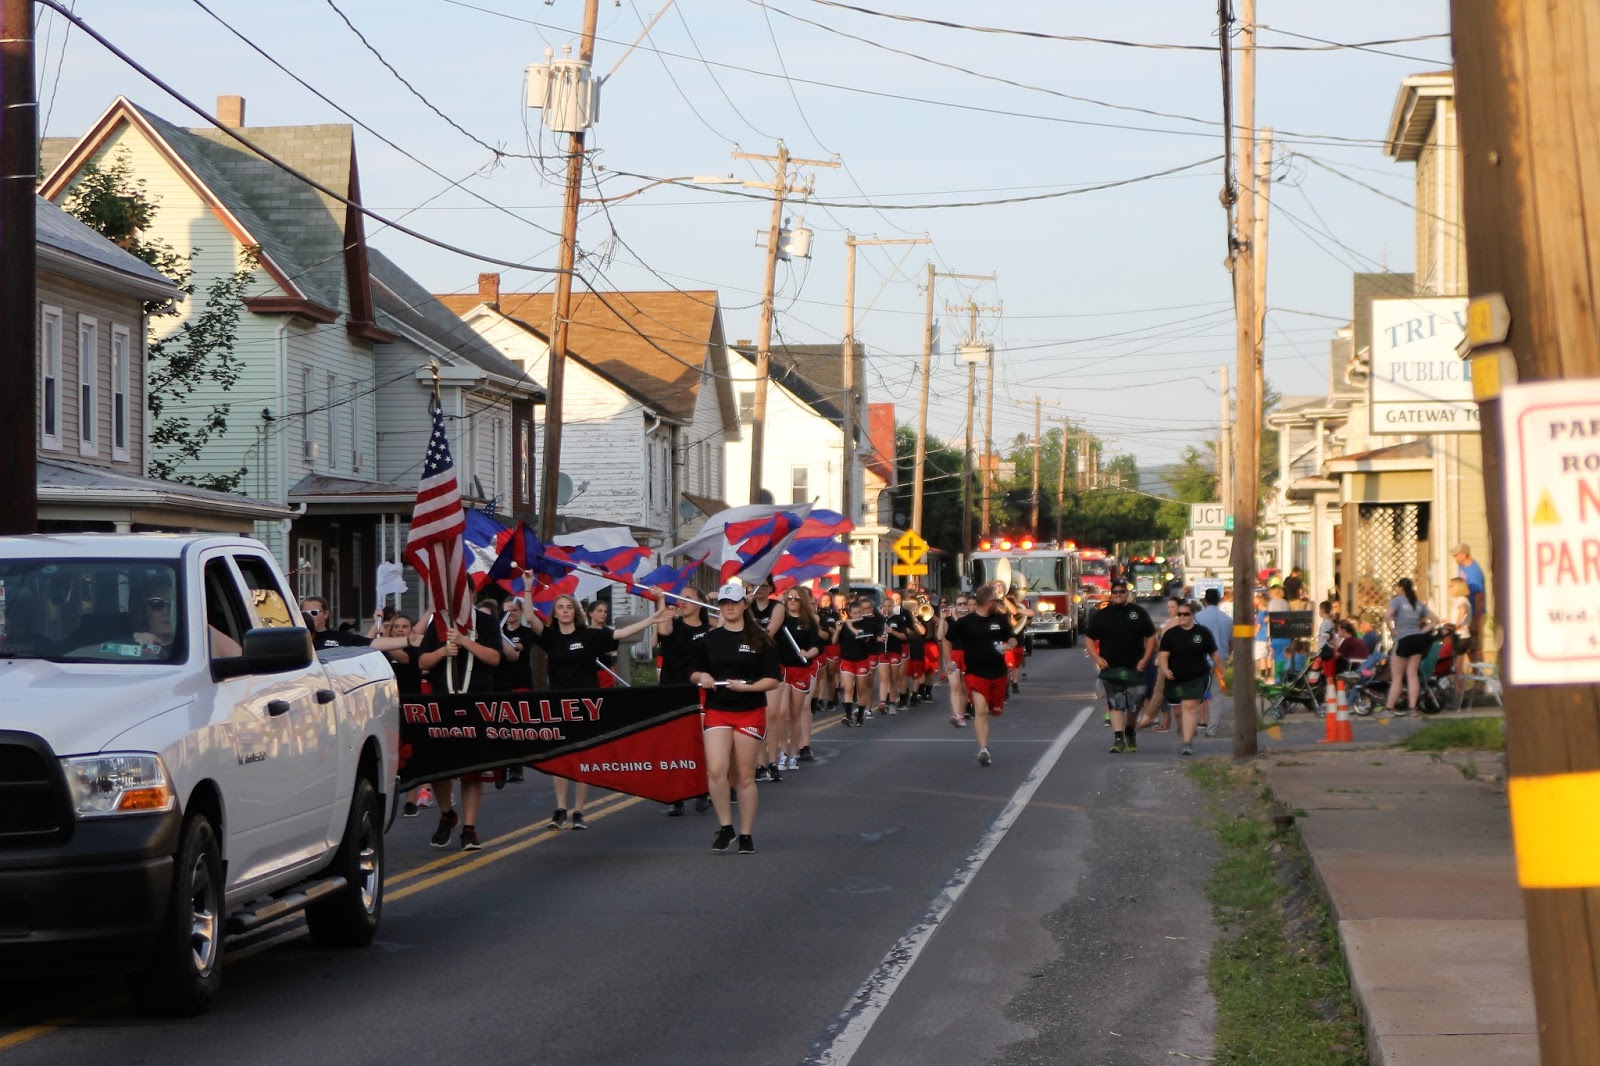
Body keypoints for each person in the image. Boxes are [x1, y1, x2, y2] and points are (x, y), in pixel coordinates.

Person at [526, 593, 669, 828]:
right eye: (560, 607)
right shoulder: (551, 637)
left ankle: (579, 811)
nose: (565, 610)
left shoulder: (588, 635)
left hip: (586, 705)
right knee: (560, 757)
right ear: (555, 613)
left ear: (575, 611)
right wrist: (527, 588)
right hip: (560, 705)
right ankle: (560, 808)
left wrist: (651, 620)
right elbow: (531, 618)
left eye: (569, 607)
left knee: (583, 756)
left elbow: (620, 634)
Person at [689, 582, 783, 854]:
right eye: (724, 603)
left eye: (734, 602)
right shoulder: (710, 639)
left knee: (743, 775)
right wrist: (703, 676)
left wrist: (747, 688)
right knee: (716, 770)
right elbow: (694, 673)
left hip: (749, 711)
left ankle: (746, 834)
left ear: (744, 605)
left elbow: (773, 680)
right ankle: (726, 826)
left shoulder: (761, 638)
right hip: (718, 710)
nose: (729, 607)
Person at [417, 603, 503, 851]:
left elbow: (494, 658)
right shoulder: (439, 623)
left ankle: (469, 828)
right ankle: (447, 814)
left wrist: (465, 641)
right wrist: (443, 651)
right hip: (443, 703)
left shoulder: (486, 623)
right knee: (440, 767)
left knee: (472, 770)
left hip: (475, 704)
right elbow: (422, 661)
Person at [942, 585, 1020, 766]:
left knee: (995, 710)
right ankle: (984, 749)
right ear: (988, 603)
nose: (999, 604)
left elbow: (1012, 637)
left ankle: (994, 711)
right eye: (997, 601)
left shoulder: (999, 619)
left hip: (998, 673)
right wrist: (949, 660)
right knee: (981, 710)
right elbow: (947, 639)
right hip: (975, 674)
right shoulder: (965, 623)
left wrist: (1009, 644)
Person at [657, 586, 712, 817]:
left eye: (689, 598)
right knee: (674, 745)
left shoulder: (709, 629)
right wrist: (661, 600)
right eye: (681, 598)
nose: (683, 601)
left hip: (698, 691)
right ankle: (677, 795)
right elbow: (663, 630)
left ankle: (702, 789)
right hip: (672, 689)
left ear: (700, 603)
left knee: (699, 742)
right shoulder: (674, 624)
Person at [1086, 580, 1157, 754]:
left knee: (1135, 703)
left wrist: (1145, 659)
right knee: (1115, 703)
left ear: (1127, 594)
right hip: (1111, 667)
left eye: (1122, 592)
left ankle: (1130, 731)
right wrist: (1097, 657)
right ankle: (1118, 739)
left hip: (1135, 667)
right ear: (1111, 594)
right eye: (1115, 592)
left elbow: (1151, 636)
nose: (1118, 595)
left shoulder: (1138, 612)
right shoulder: (1103, 615)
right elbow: (1089, 638)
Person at [1158, 601, 1225, 757]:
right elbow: (1163, 655)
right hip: (1176, 678)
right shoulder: (1171, 634)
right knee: (1179, 710)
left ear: (1192, 615)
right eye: (1180, 614)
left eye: (1186, 614)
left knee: (1189, 706)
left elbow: (1214, 654)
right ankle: (1186, 732)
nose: (1182, 617)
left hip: (1197, 676)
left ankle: (1187, 743)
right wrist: (1165, 669)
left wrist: (1223, 672)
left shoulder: (1202, 633)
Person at [774, 588, 822, 773]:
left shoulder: (809, 621)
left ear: (803, 601)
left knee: (795, 714)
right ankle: (783, 752)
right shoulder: (781, 620)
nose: (792, 601)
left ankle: (794, 753)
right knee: (782, 713)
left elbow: (816, 647)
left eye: (796, 598)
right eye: (789, 598)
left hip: (801, 670)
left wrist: (807, 654)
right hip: (783, 668)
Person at [1384, 577, 1436, 715]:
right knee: (1412, 675)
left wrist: (1392, 630)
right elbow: (1434, 620)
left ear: (1401, 588)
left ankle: (1389, 708)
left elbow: (1387, 616)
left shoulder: (1398, 600)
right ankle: (1413, 709)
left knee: (1397, 677)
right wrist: (1422, 631)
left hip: (1403, 638)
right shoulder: (1418, 603)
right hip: (1418, 640)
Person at [837, 596, 882, 727]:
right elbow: (835, 641)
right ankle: (848, 716)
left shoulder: (867, 624)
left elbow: (864, 638)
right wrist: (838, 630)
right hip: (847, 660)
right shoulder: (845, 625)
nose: (857, 615)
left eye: (859, 612)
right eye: (855, 613)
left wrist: (851, 626)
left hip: (862, 660)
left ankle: (861, 716)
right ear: (850, 613)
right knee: (849, 689)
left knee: (862, 690)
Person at [938, 593, 972, 727]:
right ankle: (957, 715)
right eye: (959, 604)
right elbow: (940, 637)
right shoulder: (950, 620)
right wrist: (942, 619)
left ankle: (962, 714)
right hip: (954, 654)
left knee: (964, 688)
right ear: (955, 606)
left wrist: (956, 618)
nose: (962, 606)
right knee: (955, 686)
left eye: (965, 604)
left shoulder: (972, 619)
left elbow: (966, 633)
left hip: (969, 655)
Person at [1452, 544, 1486, 663]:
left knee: (1474, 646)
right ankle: (1474, 672)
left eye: (1456, 555)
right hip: (1466, 612)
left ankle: (1479, 673)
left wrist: (1476, 620)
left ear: (1464, 554)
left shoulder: (1473, 571)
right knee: (1468, 645)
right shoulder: (1462, 567)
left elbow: (1479, 597)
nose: (1454, 557)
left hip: (1474, 612)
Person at [1448, 576, 1474, 699]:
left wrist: (1456, 625)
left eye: (1451, 586)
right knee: (1458, 666)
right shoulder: (1463, 600)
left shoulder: (1460, 600)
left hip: (1460, 636)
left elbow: (1462, 611)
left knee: (1456, 666)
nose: (1449, 589)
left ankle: (1459, 693)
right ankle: (1460, 691)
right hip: (1464, 636)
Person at [587, 600, 622, 686]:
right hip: (588, 673)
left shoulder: (610, 633)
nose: (603, 614)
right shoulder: (584, 633)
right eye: (599, 611)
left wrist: (616, 677)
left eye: (605, 612)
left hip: (605, 673)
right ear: (591, 613)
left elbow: (613, 658)